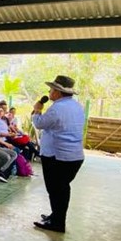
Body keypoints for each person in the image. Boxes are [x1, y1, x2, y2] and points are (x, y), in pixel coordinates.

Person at [31, 75, 86, 233]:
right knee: (61, 189)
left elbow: (40, 123)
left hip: (58, 156)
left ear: (58, 92)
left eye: (52, 89)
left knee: (56, 190)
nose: (49, 92)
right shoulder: (76, 106)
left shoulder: (57, 108)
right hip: (73, 156)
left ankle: (57, 223)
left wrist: (37, 110)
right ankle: (56, 216)